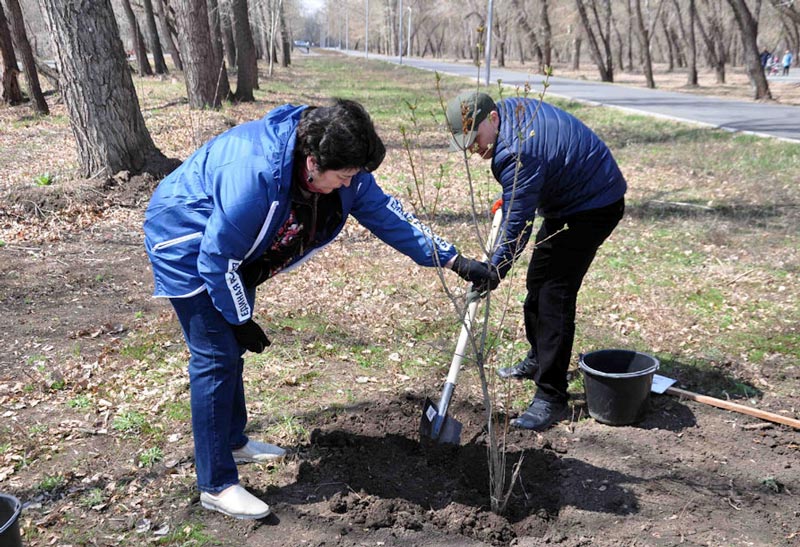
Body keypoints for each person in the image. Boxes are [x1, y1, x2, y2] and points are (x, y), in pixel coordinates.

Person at [143, 98, 497, 520]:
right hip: (186, 239)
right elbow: (214, 261)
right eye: (344, 176)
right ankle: (216, 485)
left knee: (231, 349)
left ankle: (233, 440)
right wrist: (240, 319)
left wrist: (454, 260)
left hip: (238, 254)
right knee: (216, 354)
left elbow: (389, 216)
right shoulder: (256, 177)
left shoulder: (345, 164)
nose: (350, 185)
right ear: (312, 164)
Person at [445, 91, 626, 431]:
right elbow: (530, 181)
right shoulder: (509, 114)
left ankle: (551, 396)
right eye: (465, 142)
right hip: (571, 199)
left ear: (492, 119)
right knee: (537, 281)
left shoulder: (515, 152)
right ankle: (538, 357)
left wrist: (493, 270)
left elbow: (518, 224)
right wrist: (514, 195)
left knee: (554, 296)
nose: (472, 148)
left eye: (475, 138)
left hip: (594, 206)